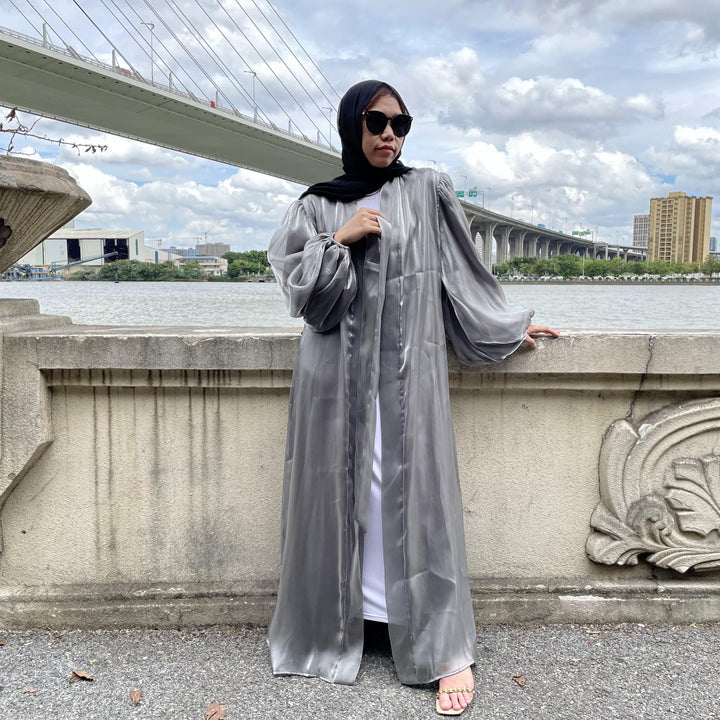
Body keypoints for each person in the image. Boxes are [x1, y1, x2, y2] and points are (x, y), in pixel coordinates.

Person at [267, 79, 558, 716]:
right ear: (352, 125)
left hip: (408, 380)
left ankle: (442, 648)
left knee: (416, 500)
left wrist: (508, 329)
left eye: (400, 124)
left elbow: (460, 278)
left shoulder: (426, 190)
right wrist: (339, 240)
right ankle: (348, 624)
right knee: (343, 494)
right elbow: (303, 298)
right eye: (376, 122)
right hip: (333, 384)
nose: (389, 135)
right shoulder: (315, 206)